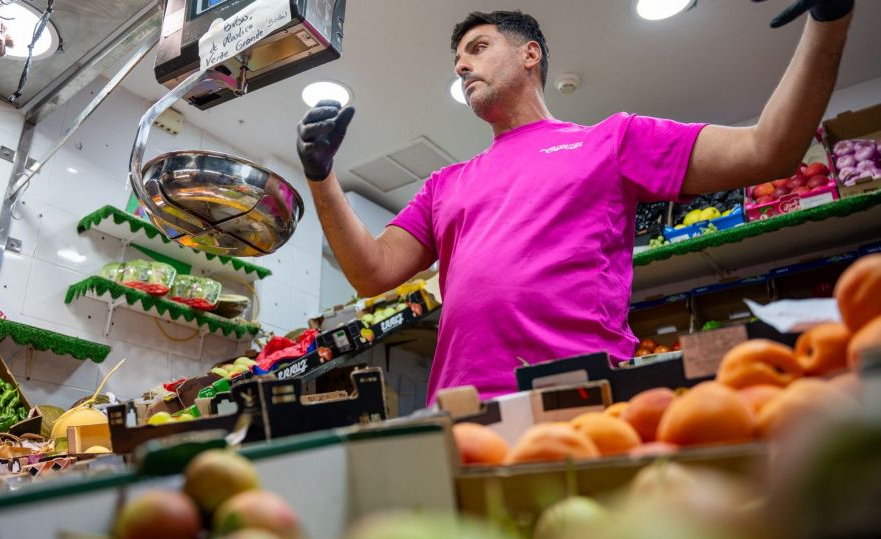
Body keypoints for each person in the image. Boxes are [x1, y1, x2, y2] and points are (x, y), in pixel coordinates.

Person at [295, 1, 856, 404]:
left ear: (530, 54)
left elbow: (770, 149)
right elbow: (372, 274)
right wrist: (322, 178)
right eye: (458, 60)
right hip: (458, 408)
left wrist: (827, 24)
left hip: (578, 396)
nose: (463, 65)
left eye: (478, 48)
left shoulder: (610, 140)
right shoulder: (445, 183)